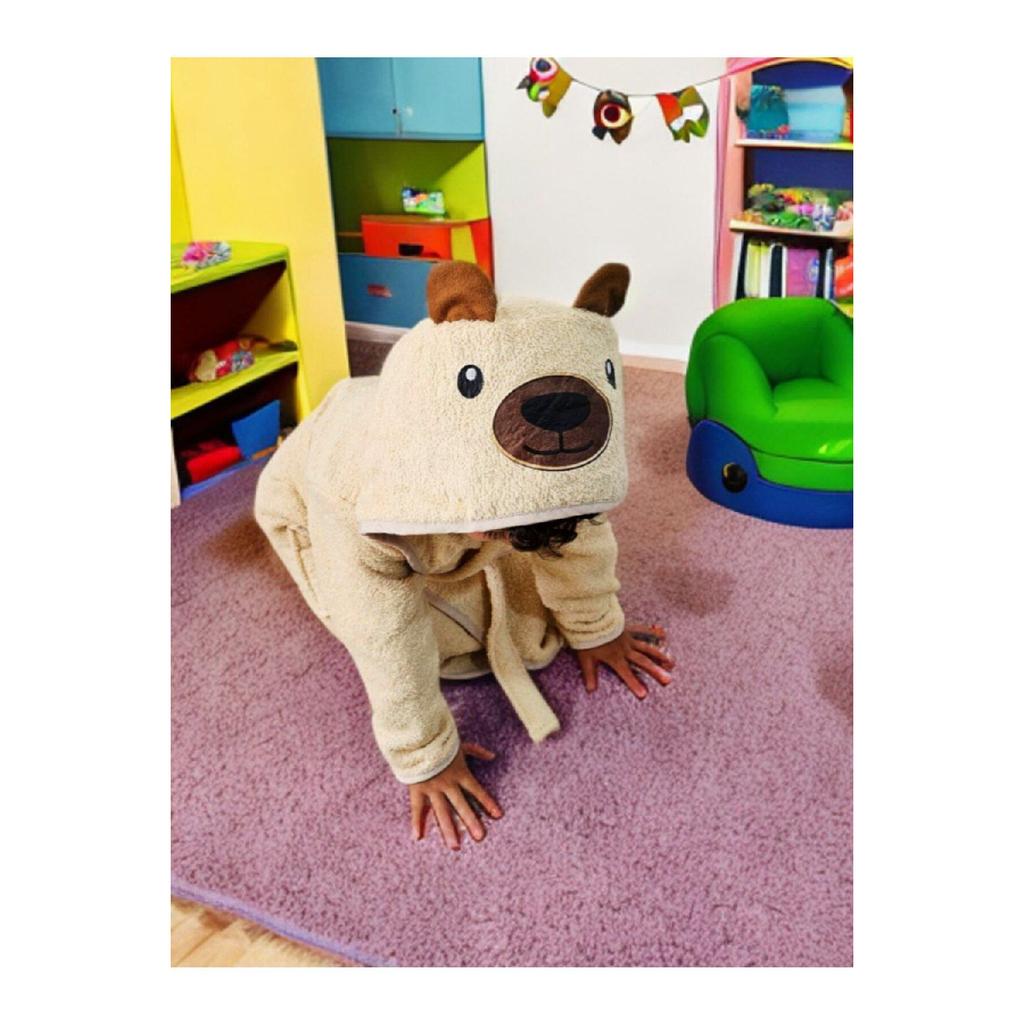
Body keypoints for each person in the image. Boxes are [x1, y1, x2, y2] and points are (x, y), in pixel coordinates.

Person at [254, 261, 673, 852]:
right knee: (415, 637)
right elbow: (381, 632)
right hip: (315, 488)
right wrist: (425, 754)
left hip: (443, 452)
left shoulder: (546, 482)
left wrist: (596, 627)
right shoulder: (360, 492)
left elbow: (577, 534)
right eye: (500, 529)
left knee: (534, 595)